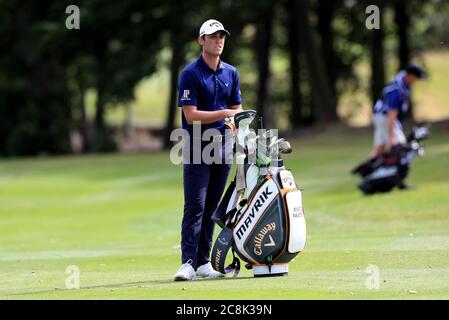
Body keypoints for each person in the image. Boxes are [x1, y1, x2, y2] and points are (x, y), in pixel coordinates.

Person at [174, 19, 243, 281]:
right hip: (197, 149)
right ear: (201, 40)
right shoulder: (190, 73)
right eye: (213, 36)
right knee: (195, 207)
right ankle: (187, 263)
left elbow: (237, 108)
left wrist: (234, 121)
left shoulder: (231, 73)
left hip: (223, 148)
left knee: (213, 208)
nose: (219, 40)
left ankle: (203, 262)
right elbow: (190, 116)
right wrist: (224, 113)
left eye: (221, 36)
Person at [370, 64, 427, 159]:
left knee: (380, 147)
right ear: (410, 75)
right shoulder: (397, 89)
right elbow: (391, 113)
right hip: (385, 117)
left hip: (380, 116)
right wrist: (392, 137)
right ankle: (389, 172)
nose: (416, 81)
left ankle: (367, 171)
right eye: (416, 78)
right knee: (399, 146)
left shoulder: (403, 85)